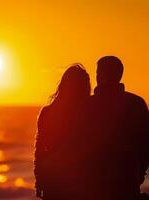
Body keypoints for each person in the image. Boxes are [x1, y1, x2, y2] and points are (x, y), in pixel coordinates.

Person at [70, 56, 149, 200]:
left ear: (100, 75)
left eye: (98, 73)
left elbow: (76, 144)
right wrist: (139, 174)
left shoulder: (87, 105)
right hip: (127, 177)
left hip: (94, 180)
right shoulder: (137, 103)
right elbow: (146, 145)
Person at [34, 64, 91, 200]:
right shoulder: (88, 112)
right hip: (79, 178)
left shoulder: (47, 112)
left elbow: (39, 150)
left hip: (53, 175)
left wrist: (39, 178)